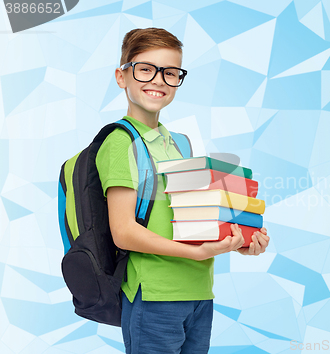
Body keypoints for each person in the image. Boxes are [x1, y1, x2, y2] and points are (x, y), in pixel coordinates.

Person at [95, 28, 269, 354]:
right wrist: (196, 253)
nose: (158, 80)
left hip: (199, 292)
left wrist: (237, 241)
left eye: (170, 72)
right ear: (122, 76)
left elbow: (190, 221)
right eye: (146, 69)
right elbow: (123, 232)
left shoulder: (177, 143)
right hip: (156, 296)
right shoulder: (121, 143)